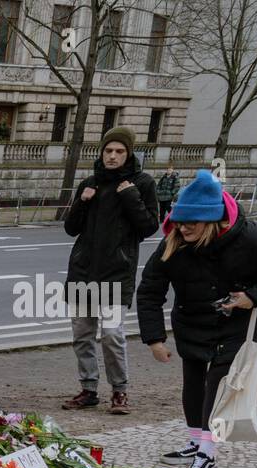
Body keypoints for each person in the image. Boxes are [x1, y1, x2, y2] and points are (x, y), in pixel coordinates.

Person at [136, 169, 257, 468]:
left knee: (218, 384)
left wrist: (252, 296)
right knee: (193, 381)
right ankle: (195, 439)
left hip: (237, 322)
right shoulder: (174, 243)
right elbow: (150, 289)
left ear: (212, 219)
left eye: (191, 223)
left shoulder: (252, 237)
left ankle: (207, 451)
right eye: (179, 222)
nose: (183, 229)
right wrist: (154, 339)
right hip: (191, 320)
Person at [61, 126, 160, 414]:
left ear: (128, 154)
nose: (113, 156)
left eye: (119, 151)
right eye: (108, 150)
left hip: (118, 273)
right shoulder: (90, 182)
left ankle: (119, 391)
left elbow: (149, 227)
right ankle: (88, 389)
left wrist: (130, 197)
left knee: (113, 334)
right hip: (83, 271)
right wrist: (83, 201)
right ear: (101, 152)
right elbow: (70, 228)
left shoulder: (142, 183)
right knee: (82, 334)